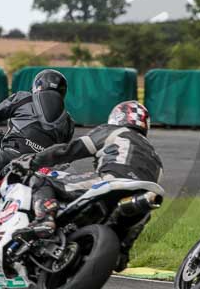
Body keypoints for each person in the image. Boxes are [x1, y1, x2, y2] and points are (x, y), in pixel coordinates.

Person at [17, 101, 163, 270]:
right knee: (142, 215)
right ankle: (122, 251)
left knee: (43, 179)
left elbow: (70, 150)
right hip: (143, 197)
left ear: (118, 117)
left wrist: (33, 160)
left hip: (112, 181)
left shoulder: (114, 131)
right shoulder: (155, 156)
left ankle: (45, 218)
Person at [0, 69, 74, 200]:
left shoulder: (24, 98)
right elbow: (63, 153)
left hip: (14, 154)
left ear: (38, 85)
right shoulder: (69, 122)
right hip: (44, 166)